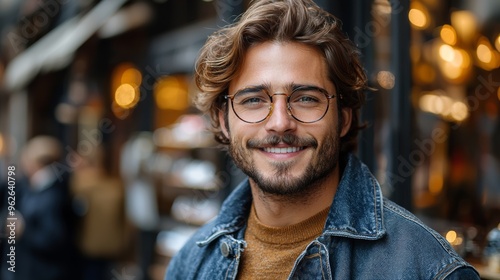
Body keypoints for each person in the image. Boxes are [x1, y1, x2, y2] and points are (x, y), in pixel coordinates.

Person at [165, 0, 480, 279]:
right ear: (224, 120)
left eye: (305, 99)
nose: (279, 123)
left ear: (343, 118)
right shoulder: (191, 262)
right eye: (253, 100)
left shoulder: (429, 269)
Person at [14, 136, 82, 280]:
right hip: (33, 267)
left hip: (45, 271)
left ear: (35, 163)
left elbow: (54, 239)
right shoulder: (36, 187)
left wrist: (23, 231)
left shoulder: (53, 194)